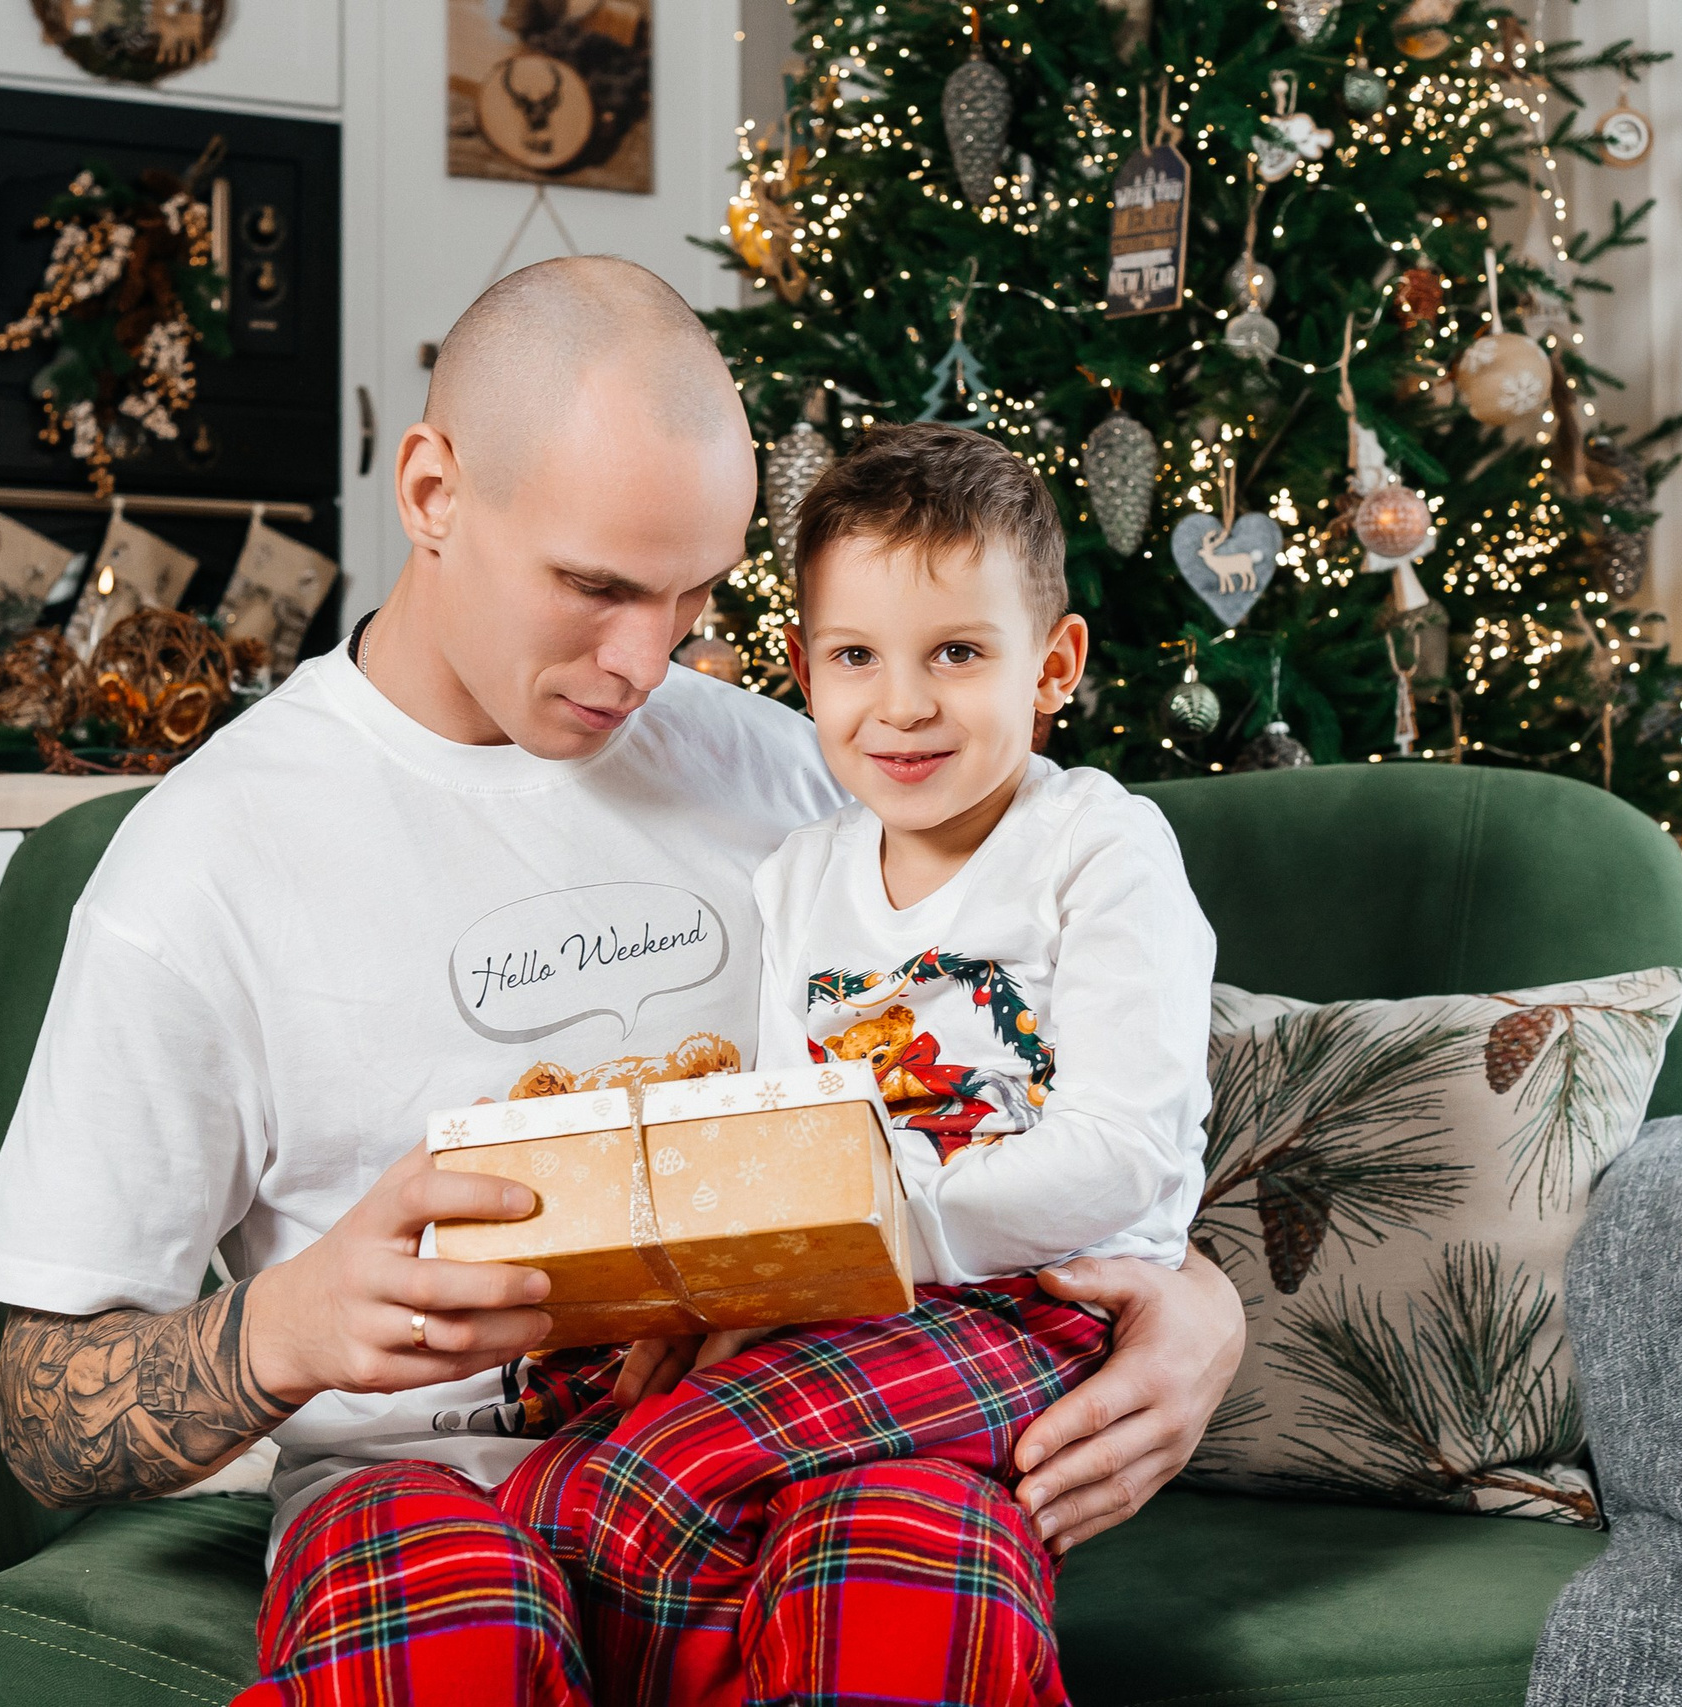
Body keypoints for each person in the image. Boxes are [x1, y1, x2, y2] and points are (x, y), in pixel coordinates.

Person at [0, 256, 1246, 1705]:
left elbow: (1053, 1082)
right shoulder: (201, 862)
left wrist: (1198, 1303)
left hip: (820, 1446)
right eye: (595, 586)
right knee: (445, 1643)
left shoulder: (814, 774)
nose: (646, 660)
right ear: (433, 493)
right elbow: (43, 1418)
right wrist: (286, 1328)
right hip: (419, 1487)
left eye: (693, 596)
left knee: (909, 1577)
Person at [484, 423, 1215, 1707]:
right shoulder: (802, 876)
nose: (904, 704)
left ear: (1053, 665)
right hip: (851, 1303)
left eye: (958, 654)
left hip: (1036, 1305)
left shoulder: (1099, 848)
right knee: (568, 1479)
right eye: (857, 656)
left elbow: (1123, 1156)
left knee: (644, 1484)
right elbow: (790, 1131)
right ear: (802, 669)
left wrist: (868, 1237)